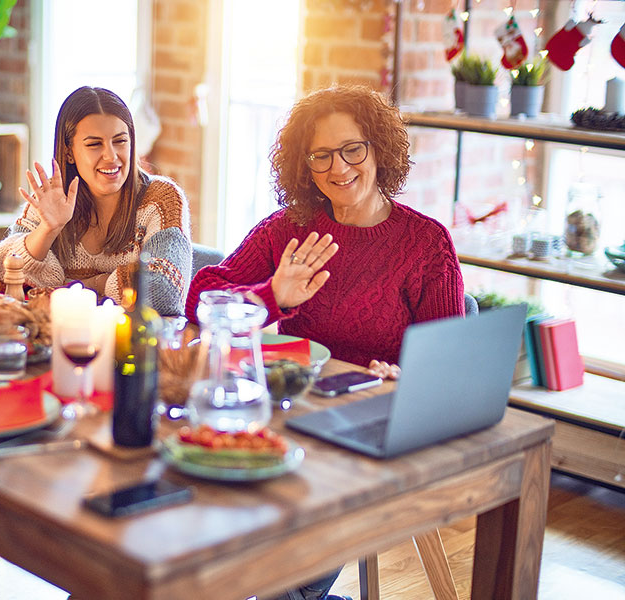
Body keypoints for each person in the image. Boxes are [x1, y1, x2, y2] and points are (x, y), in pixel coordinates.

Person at [186, 85, 465, 600]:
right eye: (321, 156)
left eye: (352, 149)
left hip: (368, 436)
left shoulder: (425, 245)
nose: (339, 168)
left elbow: (449, 366)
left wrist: (409, 380)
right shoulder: (288, 230)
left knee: (274, 572)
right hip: (289, 417)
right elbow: (200, 298)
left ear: (379, 148)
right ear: (304, 166)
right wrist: (271, 294)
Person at [0, 86, 192, 316]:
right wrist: (48, 230)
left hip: (133, 348)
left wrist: (91, 285)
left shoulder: (160, 199)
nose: (111, 156)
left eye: (120, 141)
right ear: (69, 152)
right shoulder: (51, 199)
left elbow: (166, 291)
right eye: (94, 144)